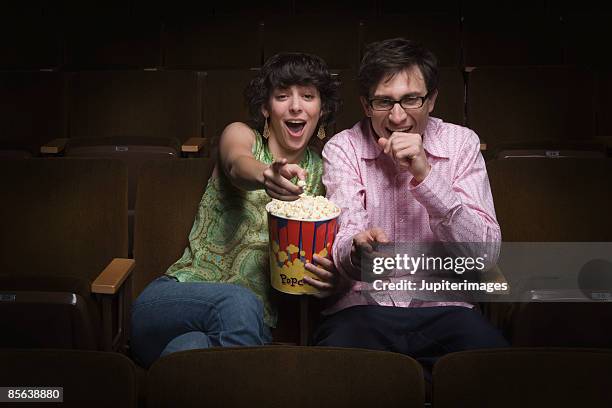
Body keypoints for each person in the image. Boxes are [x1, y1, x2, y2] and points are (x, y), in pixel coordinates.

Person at [313, 38, 508, 379]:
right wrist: (359, 252)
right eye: (384, 102)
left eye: (411, 100)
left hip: (447, 308)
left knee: (496, 372)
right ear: (365, 104)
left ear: (431, 99)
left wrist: (425, 173)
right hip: (364, 309)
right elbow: (344, 240)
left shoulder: (461, 143)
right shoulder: (342, 147)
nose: (398, 116)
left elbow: (484, 255)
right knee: (329, 374)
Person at [131, 53, 341, 368]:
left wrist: (329, 280)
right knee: (238, 302)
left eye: (308, 96)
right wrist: (266, 175)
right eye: (282, 96)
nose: (296, 106)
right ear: (265, 108)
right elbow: (235, 163)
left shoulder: (325, 174)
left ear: (321, 110)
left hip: (245, 329)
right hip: (172, 300)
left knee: (187, 352)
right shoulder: (241, 136)